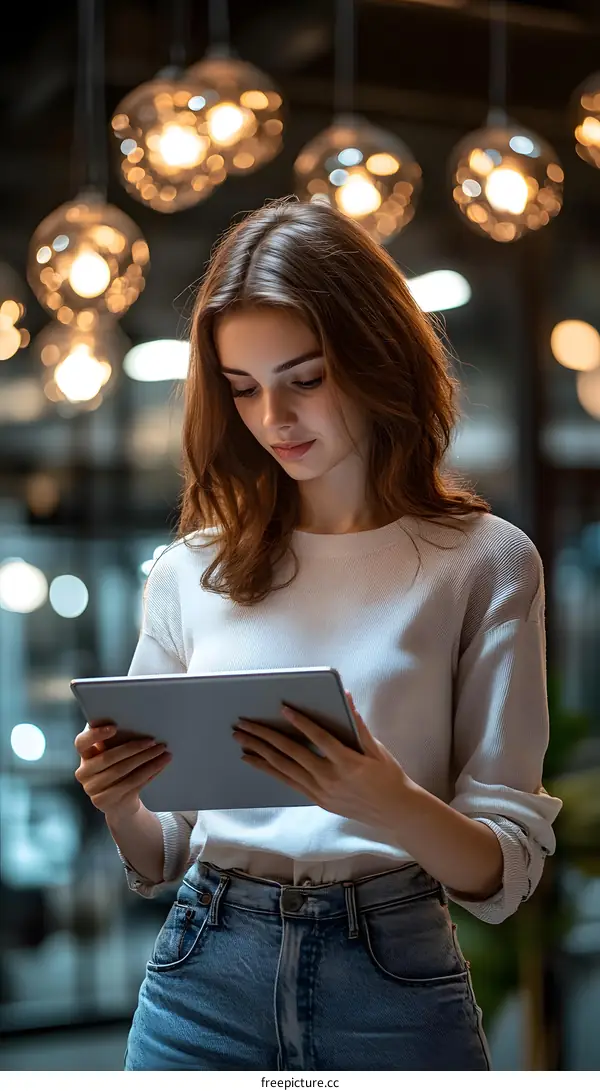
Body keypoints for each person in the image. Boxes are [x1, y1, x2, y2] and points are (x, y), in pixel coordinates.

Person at [73, 197, 563, 1072]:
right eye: (244, 389)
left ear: (378, 360)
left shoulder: (484, 561)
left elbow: (503, 873)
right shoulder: (191, 569)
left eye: (304, 378)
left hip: (392, 971)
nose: (274, 420)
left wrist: (386, 799)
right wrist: (119, 802)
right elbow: (165, 851)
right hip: (201, 973)